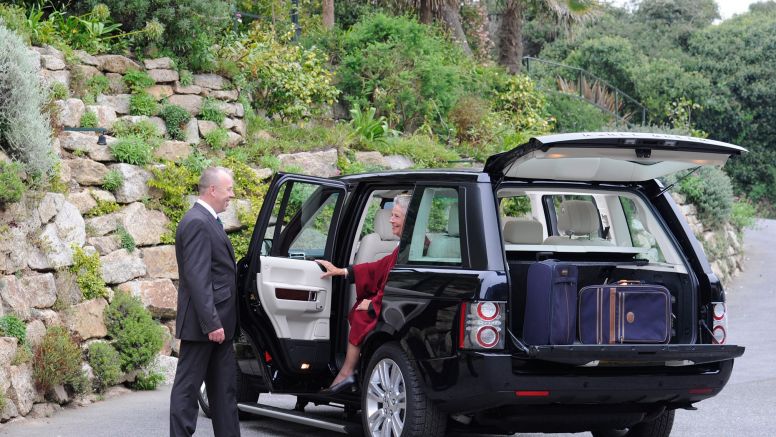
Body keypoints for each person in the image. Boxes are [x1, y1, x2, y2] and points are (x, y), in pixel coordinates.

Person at [170, 167, 240, 437]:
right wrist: (211, 323)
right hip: (205, 327)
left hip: (219, 325)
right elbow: (197, 278)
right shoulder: (197, 222)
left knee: (224, 392)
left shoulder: (207, 220)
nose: (231, 195)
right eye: (228, 189)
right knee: (187, 392)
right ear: (212, 190)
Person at [315, 194, 410, 393]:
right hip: (394, 302)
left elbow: (402, 285)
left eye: (396, 216)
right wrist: (343, 271)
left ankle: (348, 371)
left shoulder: (413, 249)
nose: (390, 220)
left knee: (361, 314)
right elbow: (378, 268)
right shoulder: (406, 246)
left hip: (398, 307)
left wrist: (376, 302)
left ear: (409, 218)